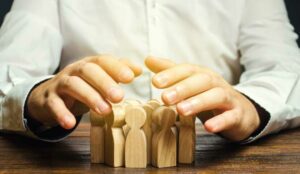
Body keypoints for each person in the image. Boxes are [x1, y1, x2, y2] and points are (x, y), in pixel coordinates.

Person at [0, 0, 299, 143]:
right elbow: (6, 73)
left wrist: (252, 106)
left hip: (209, 150)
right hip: (91, 153)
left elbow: (289, 71)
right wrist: (35, 96)